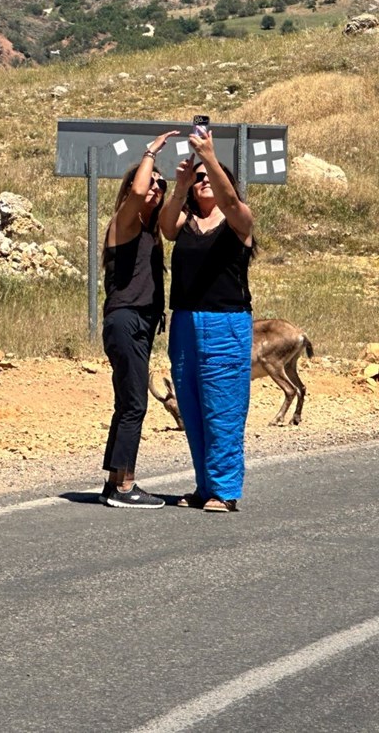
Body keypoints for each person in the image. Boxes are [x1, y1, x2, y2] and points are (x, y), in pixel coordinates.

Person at [158, 125, 255, 513]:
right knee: (194, 408)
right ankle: (204, 486)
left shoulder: (238, 222)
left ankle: (225, 490)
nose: (203, 182)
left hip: (226, 324)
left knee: (224, 408)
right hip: (185, 322)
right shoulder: (184, 223)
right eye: (199, 178)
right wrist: (180, 184)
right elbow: (166, 227)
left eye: (209, 177)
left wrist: (210, 157)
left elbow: (232, 204)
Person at [98, 131, 176, 509]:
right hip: (126, 321)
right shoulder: (124, 223)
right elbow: (138, 191)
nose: (157, 187)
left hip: (138, 324)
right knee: (135, 405)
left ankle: (114, 481)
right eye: (152, 181)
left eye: (162, 184)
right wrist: (150, 153)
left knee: (126, 402)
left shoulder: (149, 232)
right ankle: (126, 486)